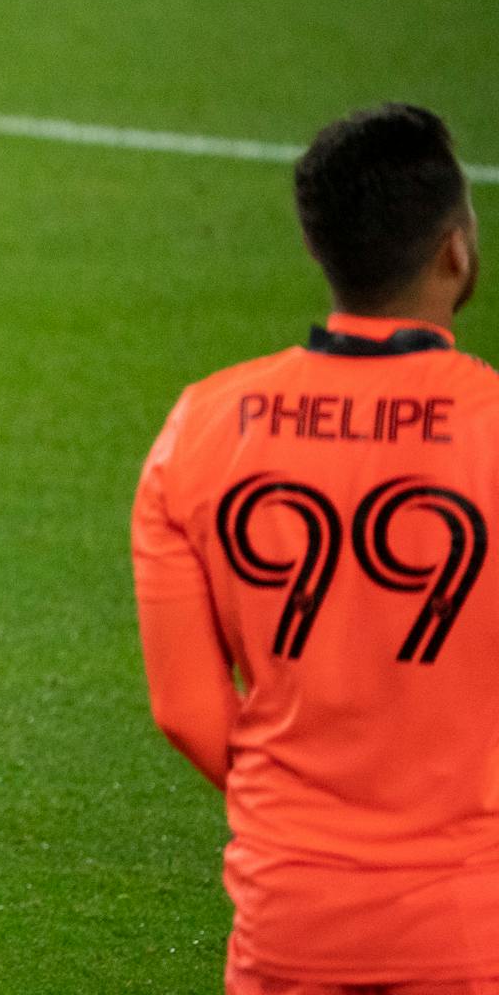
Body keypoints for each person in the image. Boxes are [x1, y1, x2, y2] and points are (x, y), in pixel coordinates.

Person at [133, 103, 499, 994]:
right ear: (455, 250)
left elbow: (186, 709)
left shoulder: (201, 427)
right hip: (471, 923)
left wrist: (304, 814)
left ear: (315, 247)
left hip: (288, 917)